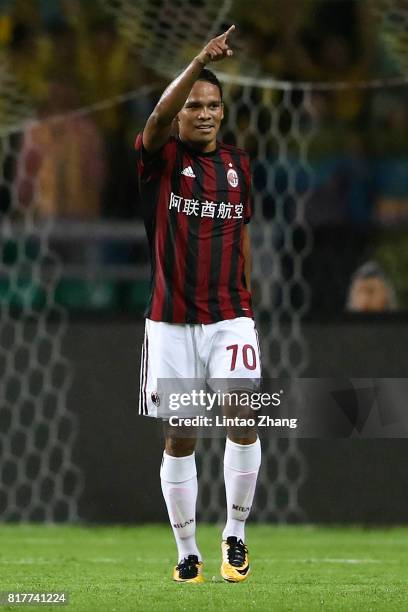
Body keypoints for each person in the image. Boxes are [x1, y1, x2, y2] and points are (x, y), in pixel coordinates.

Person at [135, 25, 262, 584]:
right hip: (171, 321)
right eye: (195, 105)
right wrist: (196, 62)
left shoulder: (239, 168)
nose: (205, 113)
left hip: (230, 317)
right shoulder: (159, 161)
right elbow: (156, 120)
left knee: (243, 416)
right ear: (180, 110)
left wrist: (247, 306)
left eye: (213, 105)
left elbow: (244, 237)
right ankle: (187, 549)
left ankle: (234, 534)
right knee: (182, 434)